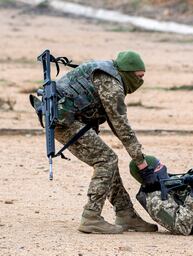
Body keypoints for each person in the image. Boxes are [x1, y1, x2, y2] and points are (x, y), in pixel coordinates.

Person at [32, 51, 159, 234]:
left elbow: (114, 122)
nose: (140, 81)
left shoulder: (108, 71)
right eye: (139, 76)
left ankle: (126, 214)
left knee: (107, 159)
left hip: (61, 116)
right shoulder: (112, 85)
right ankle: (91, 216)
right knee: (106, 160)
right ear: (127, 72)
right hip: (62, 120)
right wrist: (140, 161)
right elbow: (121, 125)